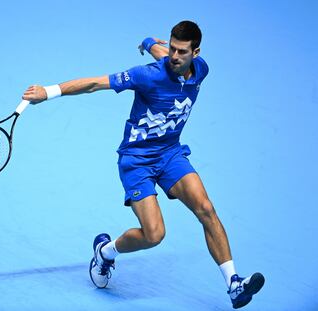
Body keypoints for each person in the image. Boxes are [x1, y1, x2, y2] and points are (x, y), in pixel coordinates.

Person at [22, 20, 264, 309]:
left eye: (182, 52)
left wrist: (149, 41)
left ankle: (233, 284)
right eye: (172, 49)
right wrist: (48, 92)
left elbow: (160, 52)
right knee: (154, 235)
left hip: (170, 154)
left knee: (206, 209)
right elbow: (96, 83)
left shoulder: (201, 70)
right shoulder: (146, 76)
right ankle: (105, 252)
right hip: (136, 160)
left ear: (195, 53)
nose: (174, 56)